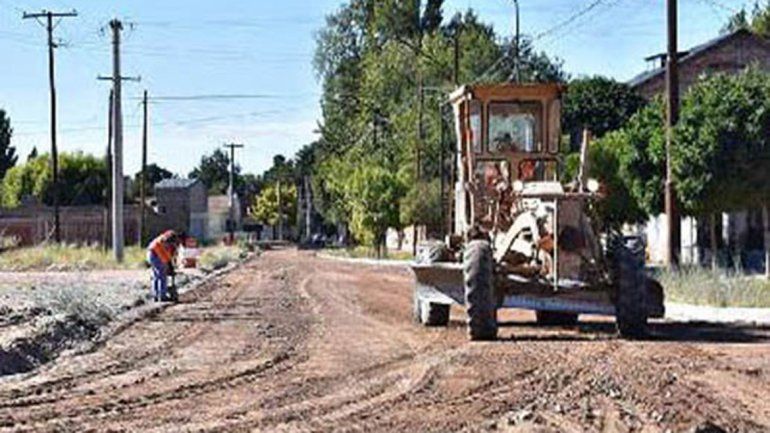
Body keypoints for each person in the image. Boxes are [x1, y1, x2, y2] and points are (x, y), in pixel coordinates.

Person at [147, 230, 183, 302]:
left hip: (152, 253)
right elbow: (163, 255)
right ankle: (162, 296)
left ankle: (156, 296)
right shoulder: (163, 241)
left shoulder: (170, 242)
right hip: (155, 254)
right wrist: (168, 265)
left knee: (157, 276)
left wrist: (172, 264)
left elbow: (172, 255)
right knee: (161, 275)